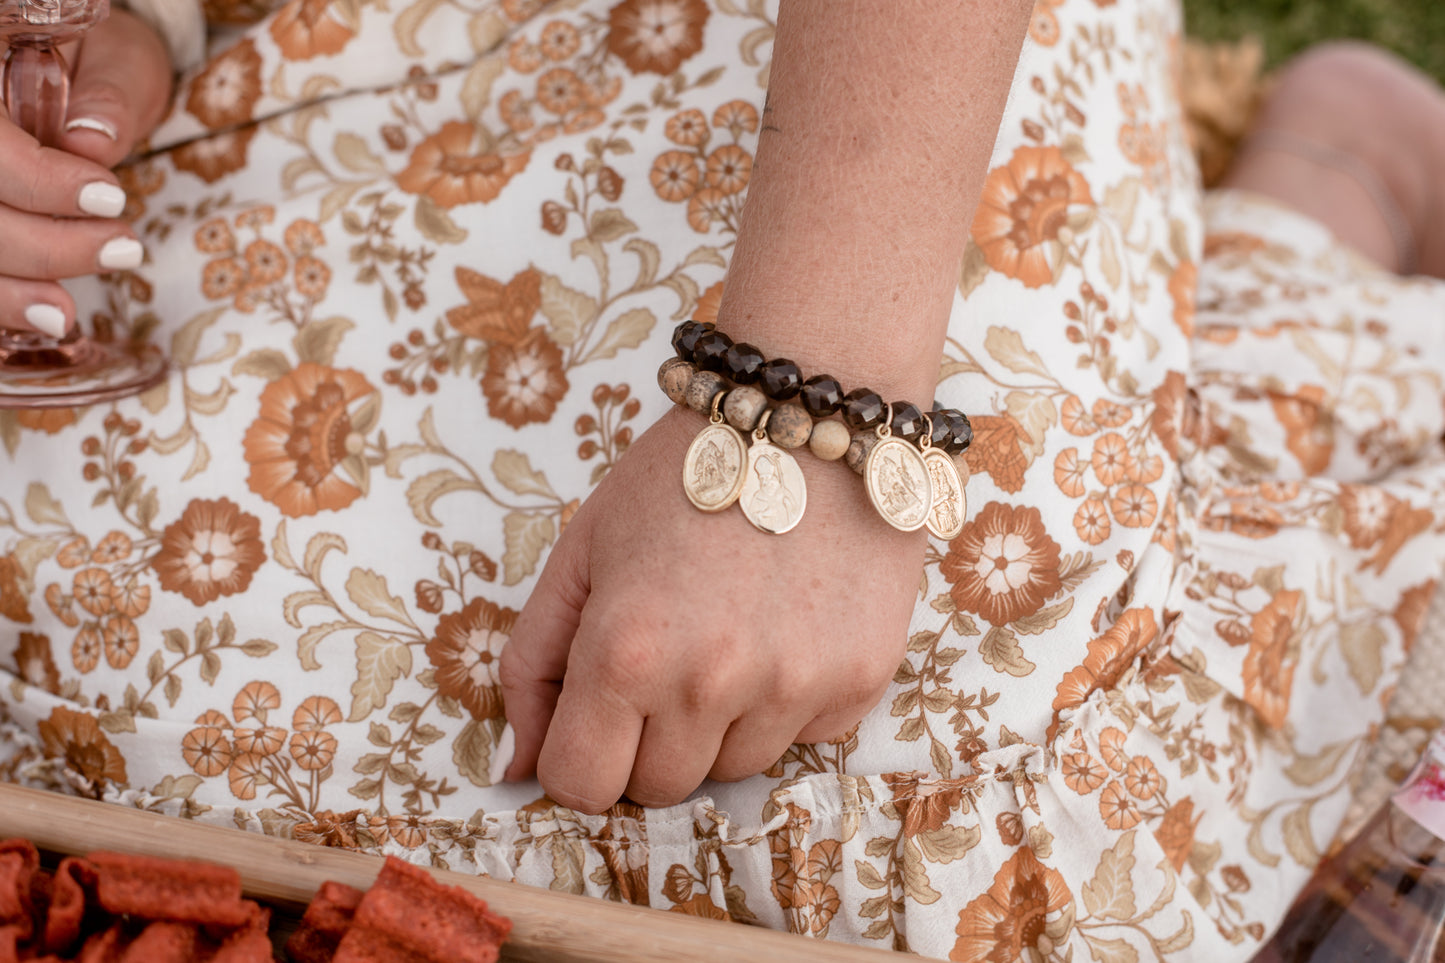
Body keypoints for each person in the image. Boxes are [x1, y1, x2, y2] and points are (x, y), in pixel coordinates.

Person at [2, 0, 1444, 958]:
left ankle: (1323, 192)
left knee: (933, 714)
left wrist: (803, 388)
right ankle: (1316, 208)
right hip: (302, 73)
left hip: (831, 73)